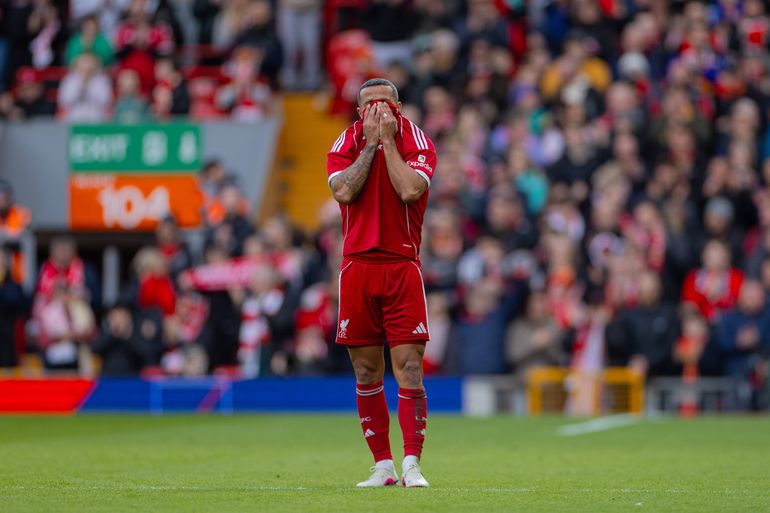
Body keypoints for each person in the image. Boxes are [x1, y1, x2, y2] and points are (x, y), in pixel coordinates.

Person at [327, 78, 436, 487]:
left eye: (385, 105)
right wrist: (370, 145)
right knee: (366, 371)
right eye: (370, 106)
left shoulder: (418, 141)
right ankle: (384, 465)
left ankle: (412, 463)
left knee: (409, 366)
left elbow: (410, 190)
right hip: (357, 266)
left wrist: (387, 143)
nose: (378, 112)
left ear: (399, 107)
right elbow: (342, 190)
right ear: (359, 113)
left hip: (401, 263)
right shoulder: (345, 142)